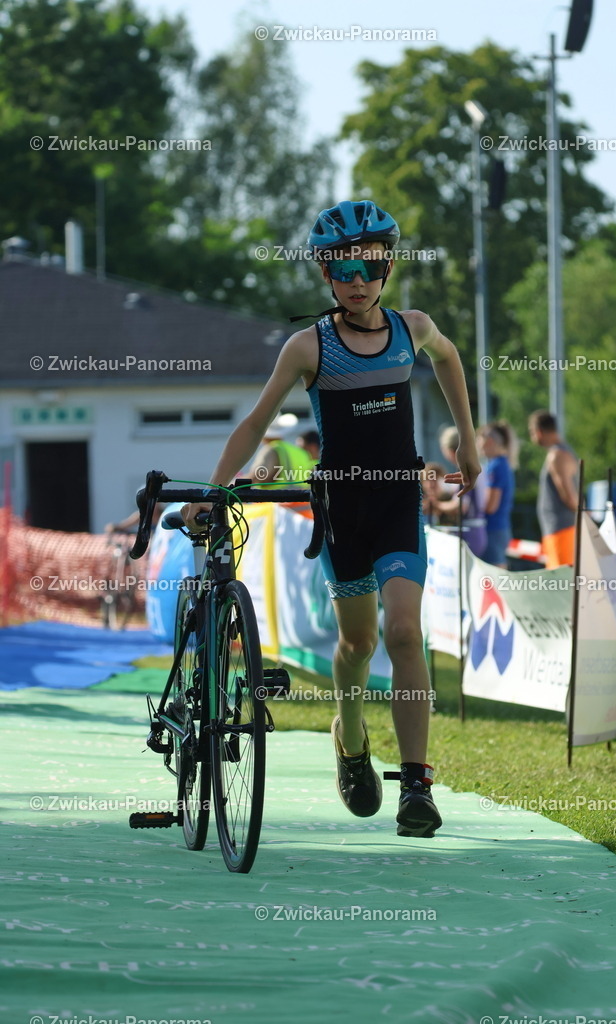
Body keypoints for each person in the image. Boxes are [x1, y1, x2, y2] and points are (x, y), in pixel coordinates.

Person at [181, 199, 481, 838]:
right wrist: (213, 489)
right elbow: (256, 423)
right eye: (343, 267)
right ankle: (350, 733)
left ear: (388, 267)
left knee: (405, 633)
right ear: (325, 273)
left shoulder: (412, 328)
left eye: (369, 265)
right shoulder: (308, 346)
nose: (357, 279)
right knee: (357, 644)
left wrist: (469, 439)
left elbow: (449, 358)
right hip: (341, 509)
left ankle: (417, 784)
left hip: (398, 501)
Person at [528, 409, 579, 568]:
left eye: (532, 432)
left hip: (562, 531)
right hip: (561, 530)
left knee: (561, 579)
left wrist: (585, 519)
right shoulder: (561, 452)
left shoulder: (557, 455)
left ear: (539, 431)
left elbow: (569, 497)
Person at [438, 426, 488, 557]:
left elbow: (461, 506)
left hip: (469, 532)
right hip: (476, 530)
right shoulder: (476, 467)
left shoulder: (466, 470)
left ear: (450, 451)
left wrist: (437, 506)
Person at [477, 421, 517, 568]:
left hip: (493, 530)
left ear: (489, 441)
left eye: (479, 440)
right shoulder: (501, 463)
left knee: (494, 577)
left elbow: (491, 506)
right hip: (499, 528)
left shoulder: (496, 466)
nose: (478, 445)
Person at [249, 413, 316, 487]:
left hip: (275, 495)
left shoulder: (271, 449)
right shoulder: (301, 453)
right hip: (300, 494)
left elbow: (256, 477)